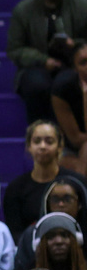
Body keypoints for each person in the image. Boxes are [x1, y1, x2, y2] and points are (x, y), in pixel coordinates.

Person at [8, 0, 87, 124]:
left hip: (72, 66)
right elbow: (15, 49)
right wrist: (43, 60)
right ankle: (39, 135)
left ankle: (69, 139)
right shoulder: (23, 10)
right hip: (35, 68)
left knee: (67, 82)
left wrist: (76, 45)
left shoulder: (81, 6)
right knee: (37, 85)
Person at [5, 122, 87, 240]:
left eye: (49, 141)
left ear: (59, 146)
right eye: (37, 141)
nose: (42, 146)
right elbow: (16, 234)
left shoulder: (76, 182)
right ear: (29, 146)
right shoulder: (16, 188)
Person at [13, 178, 87, 270]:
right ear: (47, 203)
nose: (61, 204)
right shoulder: (32, 235)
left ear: (80, 204)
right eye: (55, 199)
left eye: (67, 199)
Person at [52, 42, 87, 175]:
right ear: (75, 68)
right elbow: (76, 140)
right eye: (83, 63)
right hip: (70, 148)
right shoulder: (62, 88)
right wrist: (85, 96)